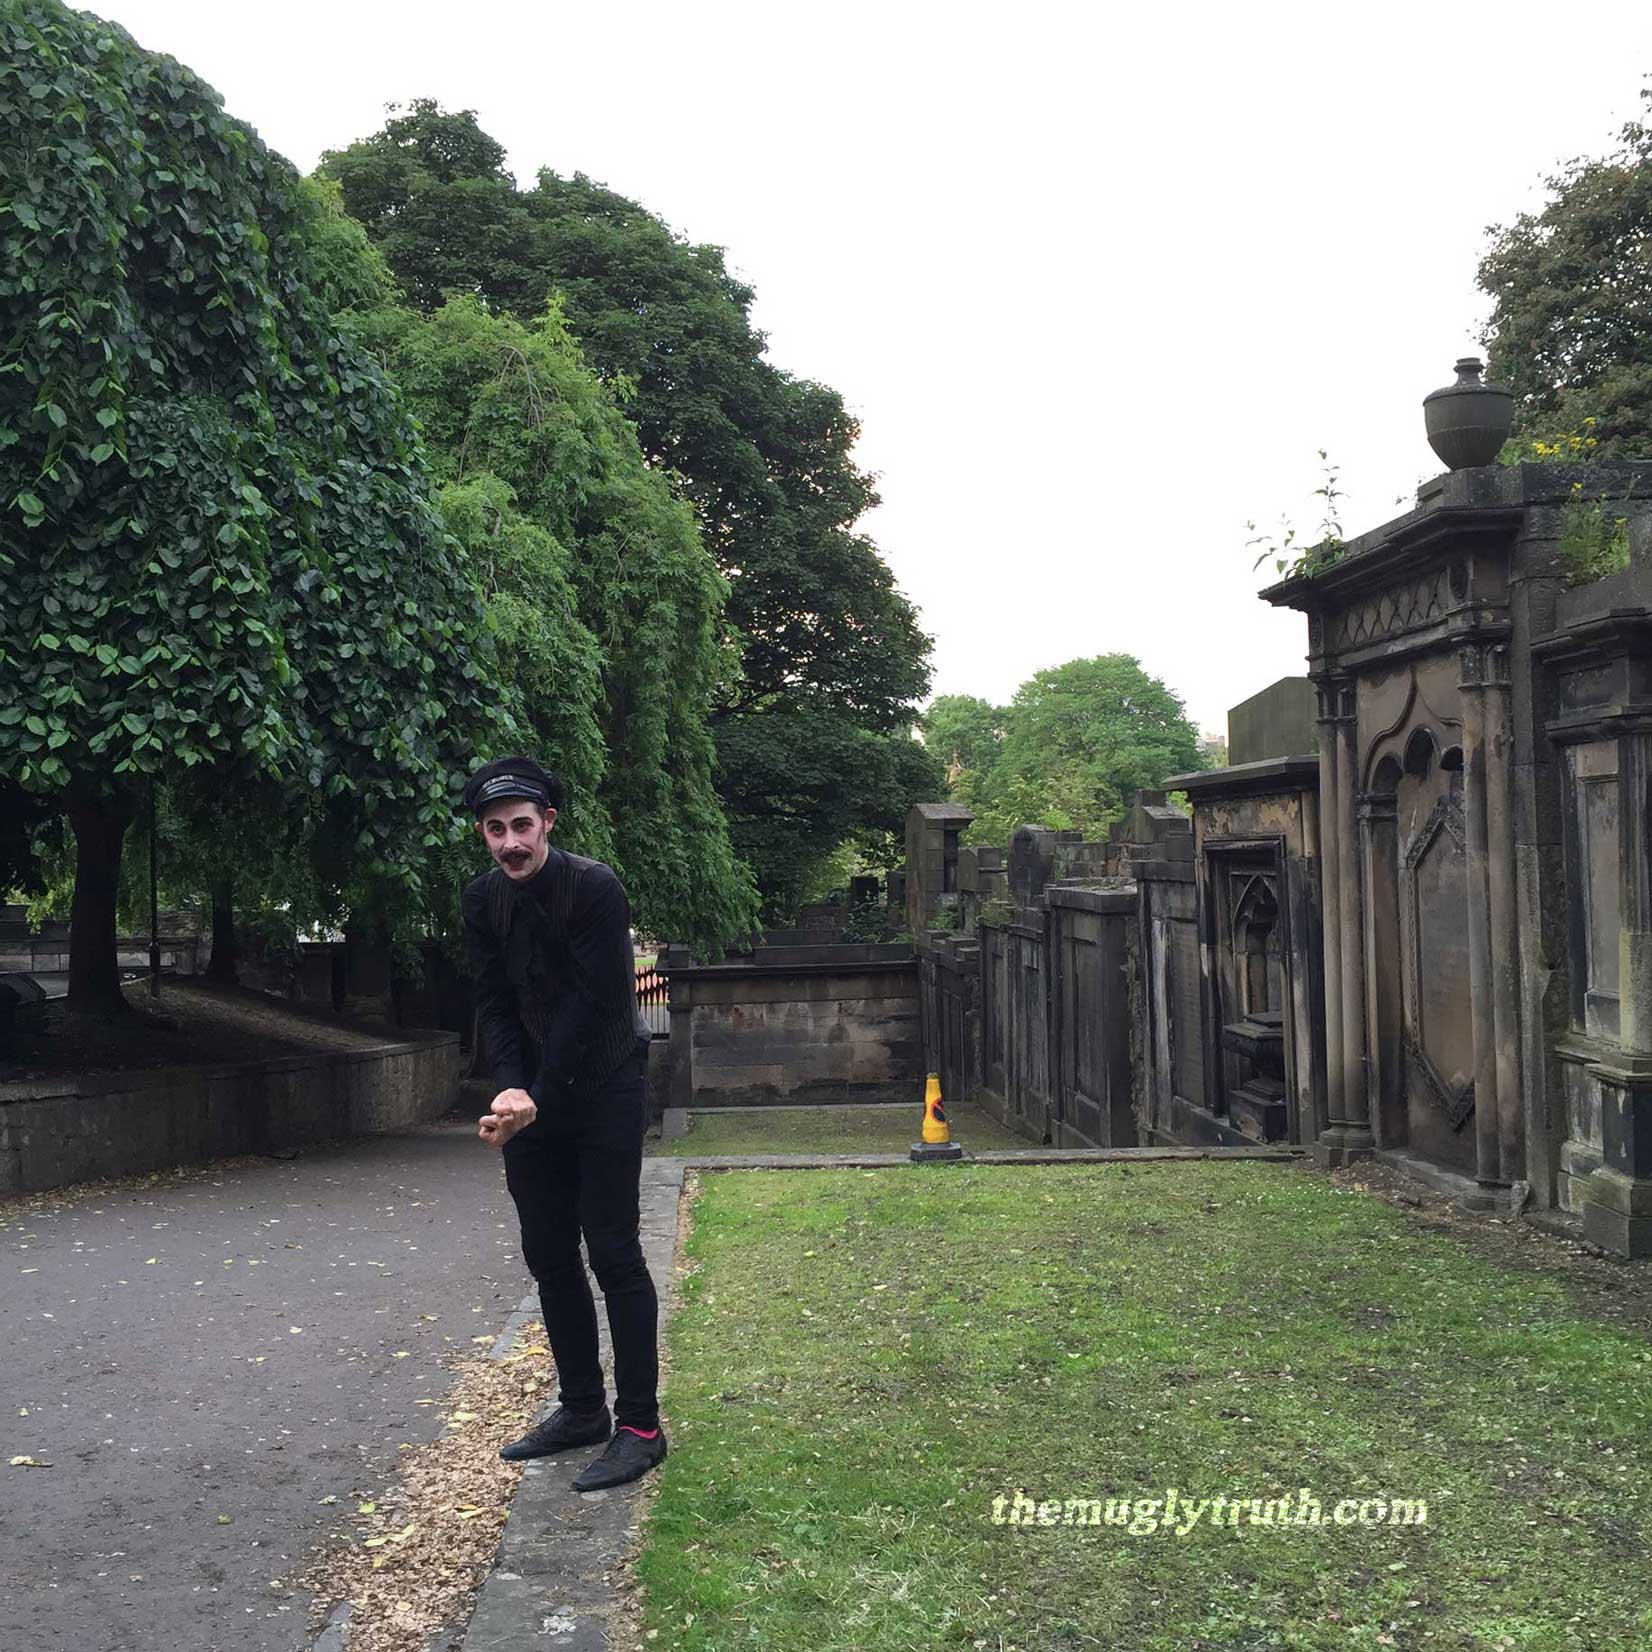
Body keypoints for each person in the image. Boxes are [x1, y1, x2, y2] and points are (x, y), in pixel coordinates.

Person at [460, 755, 666, 1491]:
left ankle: (640, 1425)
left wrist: (535, 1092)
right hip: (534, 1098)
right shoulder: (483, 900)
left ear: (548, 822)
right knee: (548, 1253)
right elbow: (495, 1002)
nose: (510, 842)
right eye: (495, 829)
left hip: (605, 1083)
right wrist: (511, 1087)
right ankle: (583, 1409)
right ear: (483, 834)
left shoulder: (594, 887)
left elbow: (594, 1003)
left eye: (522, 825)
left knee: (613, 1251)